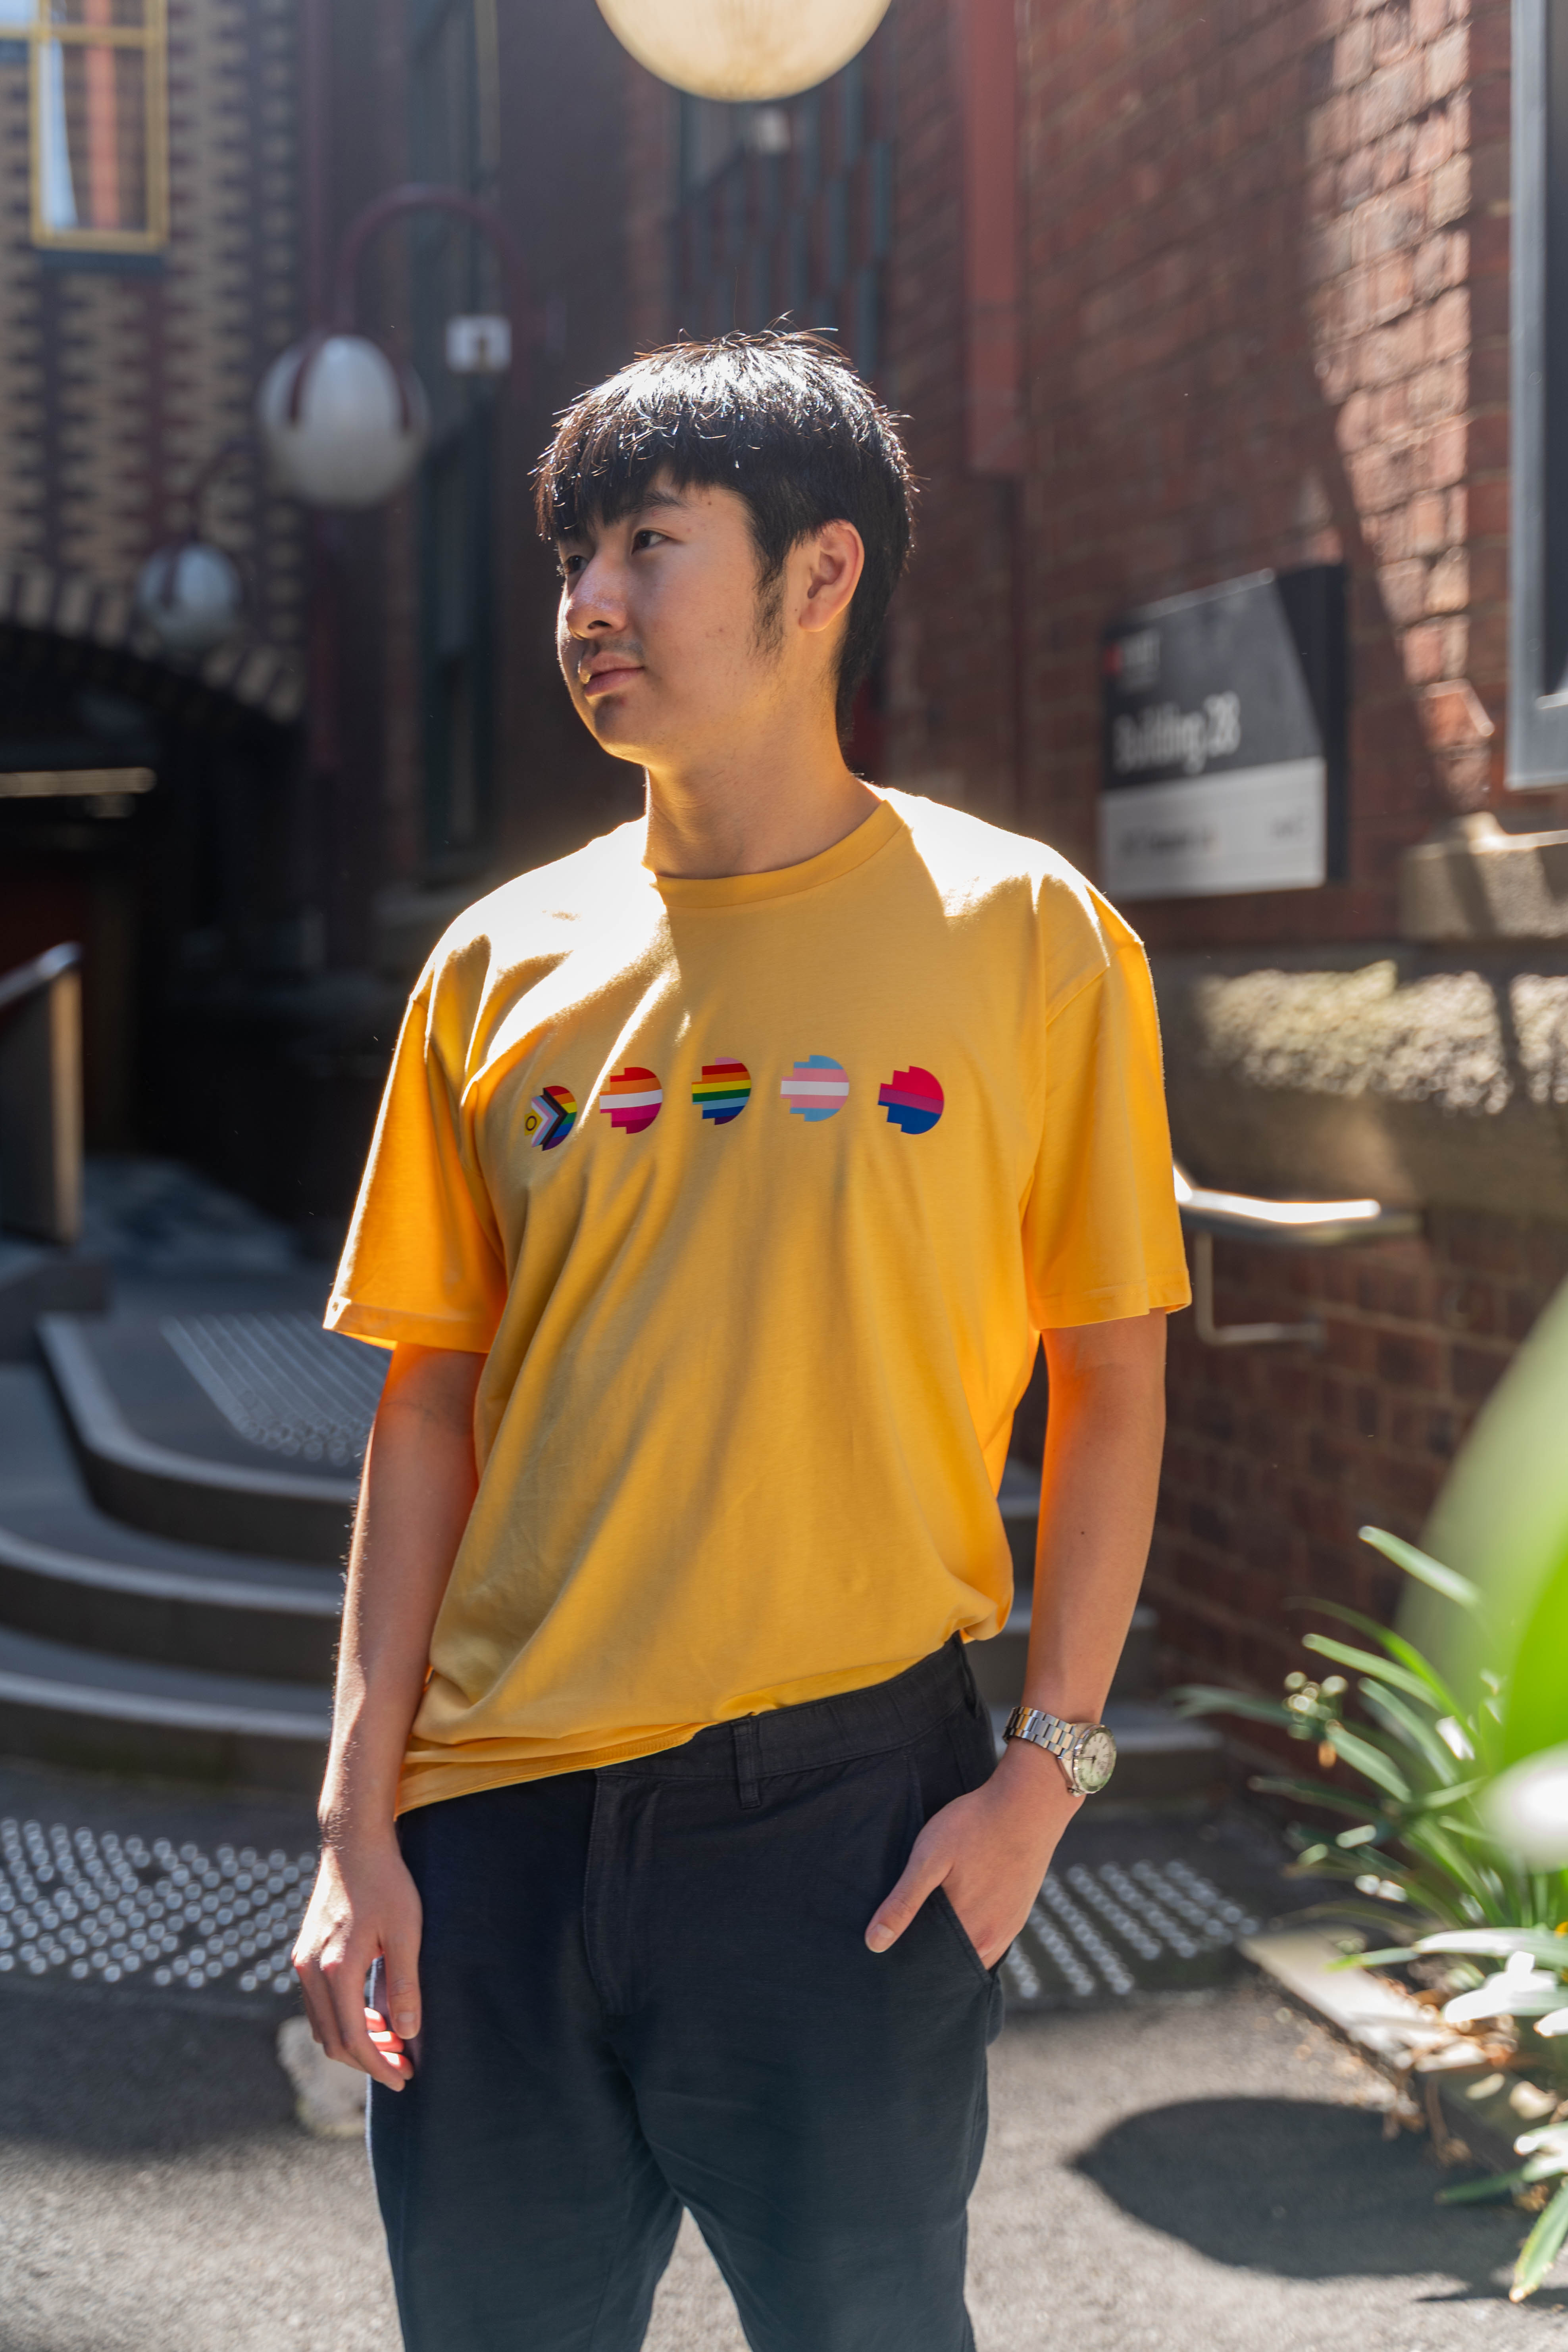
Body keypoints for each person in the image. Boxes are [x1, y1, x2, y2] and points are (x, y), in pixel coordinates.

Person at [293, 329, 1191, 2352]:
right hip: (493, 1830)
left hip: (843, 1818)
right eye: (570, 560)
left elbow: (1113, 1374)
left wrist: (1043, 1773)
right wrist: (358, 1829)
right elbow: (426, 1410)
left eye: (649, 543)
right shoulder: (493, 962)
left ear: (820, 574)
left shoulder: (1027, 936)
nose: (588, 604)